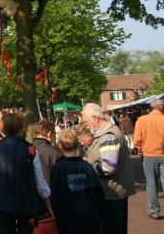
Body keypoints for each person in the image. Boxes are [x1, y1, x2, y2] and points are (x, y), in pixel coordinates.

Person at [0, 112, 53, 234]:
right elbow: (41, 184)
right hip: (25, 207)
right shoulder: (30, 150)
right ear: (21, 129)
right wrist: (49, 208)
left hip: (1, 206)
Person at [82, 103, 136, 233]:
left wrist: (89, 166)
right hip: (111, 194)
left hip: (112, 194)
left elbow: (108, 167)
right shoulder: (106, 133)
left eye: (85, 121)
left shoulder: (108, 136)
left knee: (113, 228)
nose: (85, 125)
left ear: (95, 118)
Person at [50, 129, 105, 234]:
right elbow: (98, 192)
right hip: (88, 215)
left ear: (60, 146)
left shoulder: (58, 168)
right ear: (77, 145)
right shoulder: (86, 166)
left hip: (67, 217)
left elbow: (54, 196)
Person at [133, 99, 164, 220]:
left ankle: (154, 211)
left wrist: (141, 150)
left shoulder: (142, 120)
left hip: (149, 155)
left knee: (151, 184)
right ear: (161, 108)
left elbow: (137, 140)